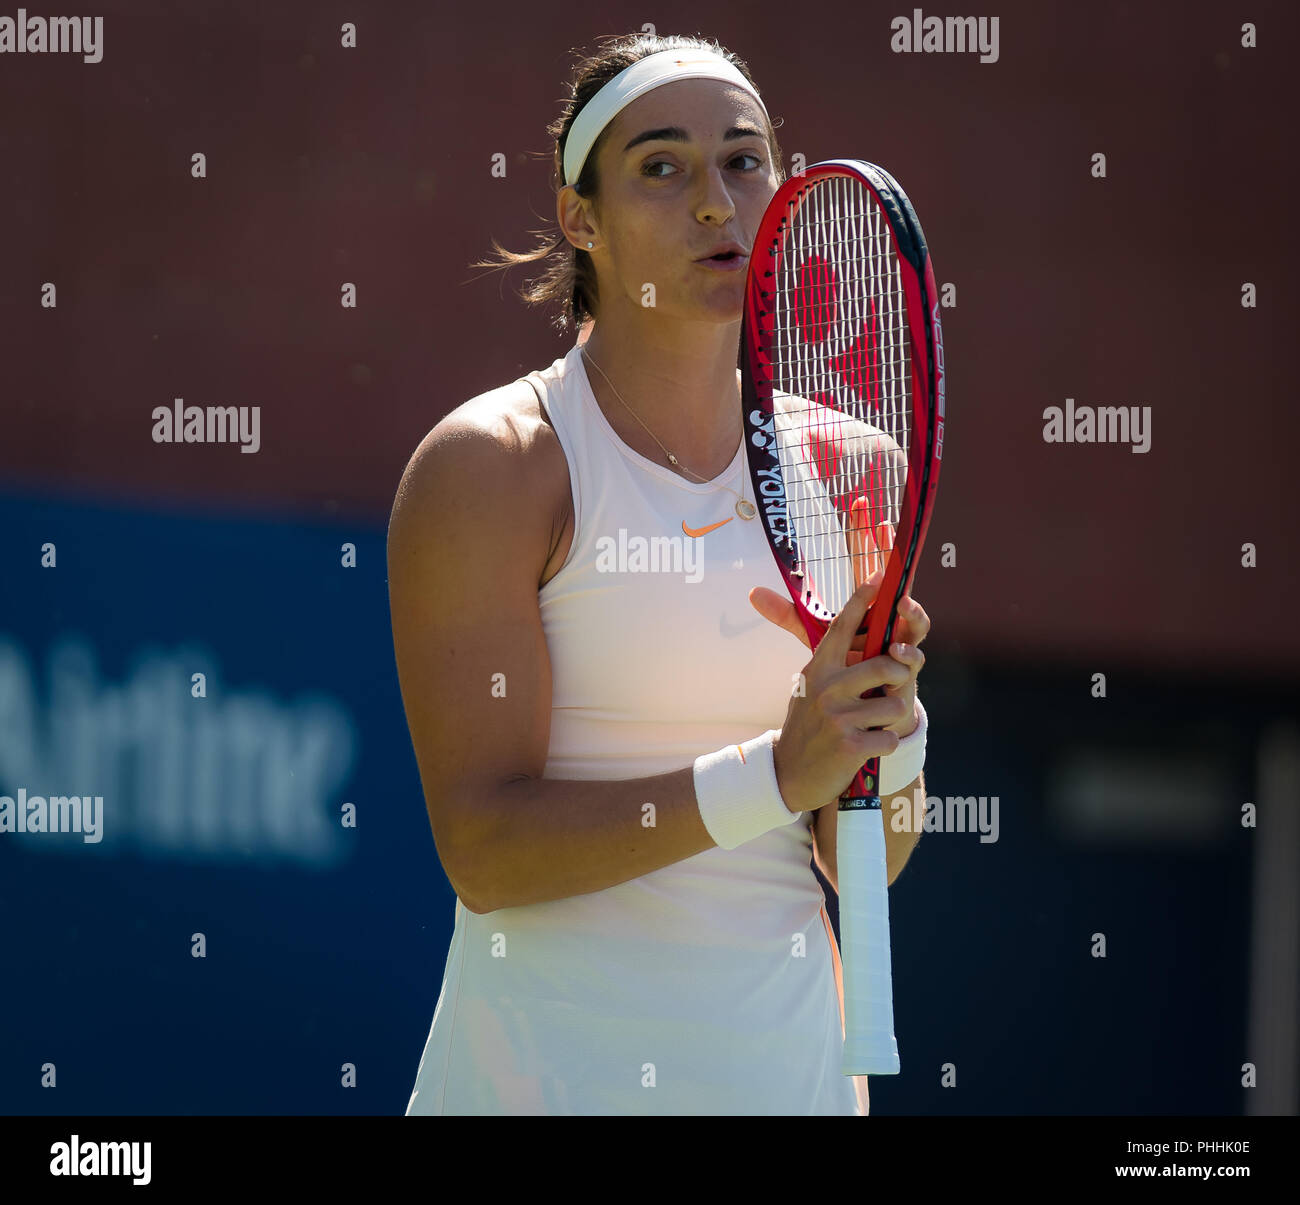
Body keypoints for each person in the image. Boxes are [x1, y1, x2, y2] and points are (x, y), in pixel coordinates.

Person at [389, 30, 932, 1116]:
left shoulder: (855, 467)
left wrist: (882, 734)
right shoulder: (492, 466)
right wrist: (777, 771)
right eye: (660, 166)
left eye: (742, 159)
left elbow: (864, 854)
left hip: (793, 1081)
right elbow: (485, 853)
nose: (714, 203)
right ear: (578, 217)